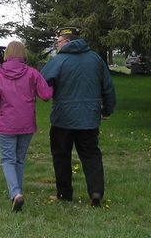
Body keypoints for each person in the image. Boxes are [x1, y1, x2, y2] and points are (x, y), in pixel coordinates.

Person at [41, 27, 116, 207]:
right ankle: (96, 192)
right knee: (91, 155)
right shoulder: (96, 59)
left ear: (66, 42)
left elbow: (42, 82)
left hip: (63, 119)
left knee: (61, 156)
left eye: (58, 42)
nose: (57, 45)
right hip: (89, 119)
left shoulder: (58, 60)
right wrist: (107, 110)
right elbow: (108, 87)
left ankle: (64, 194)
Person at [0, 40, 53, 212]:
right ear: (24, 54)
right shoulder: (32, 73)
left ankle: (15, 193)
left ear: (7, 54)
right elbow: (46, 95)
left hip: (6, 123)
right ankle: (17, 192)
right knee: (19, 159)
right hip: (26, 123)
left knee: (7, 159)